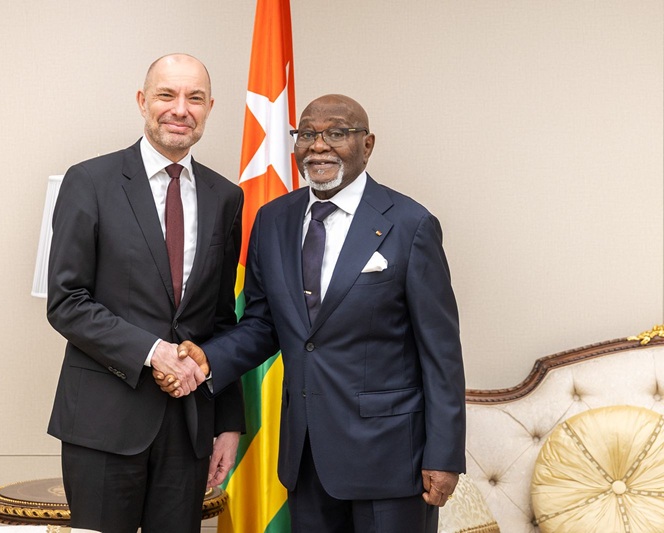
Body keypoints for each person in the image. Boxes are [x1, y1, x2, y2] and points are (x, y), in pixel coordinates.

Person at [157, 94, 466, 532]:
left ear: (367, 145)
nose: (318, 145)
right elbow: (264, 324)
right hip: (305, 458)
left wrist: (444, 455)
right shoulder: (273, 220)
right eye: (306, 134)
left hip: (391, 460)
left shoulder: (410, 224)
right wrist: (209, 359)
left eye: (336, 133)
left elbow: (441, 353)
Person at [46, 53, 245, 533]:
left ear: (209, 107)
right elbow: (67, 301)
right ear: (142, 101)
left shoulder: (226, 197)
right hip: (103, 423)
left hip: (190, 426)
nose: (180, 109)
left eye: (194, 98)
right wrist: (154, 352)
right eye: (166, 95)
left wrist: (229, 422)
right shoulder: (89, 181)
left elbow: (222, 319)